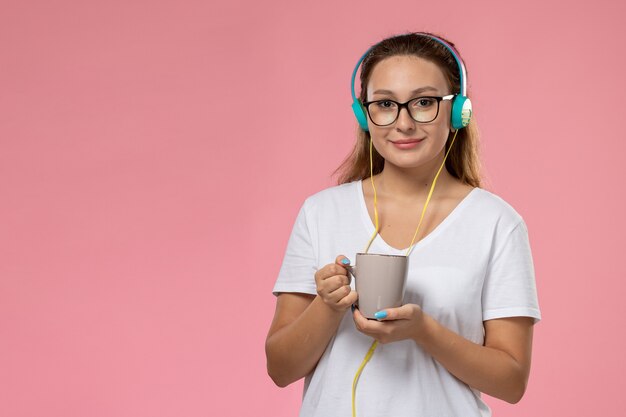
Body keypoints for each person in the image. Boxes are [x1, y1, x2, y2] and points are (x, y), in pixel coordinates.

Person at [265, 32, 541, 417]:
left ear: (459, 109)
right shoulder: (320, 212)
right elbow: (280, 369)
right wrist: (328, 307)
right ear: (365, 115)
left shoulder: (497, 223)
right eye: (385, 104)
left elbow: (511, 383)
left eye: (424, 102)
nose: (404, 123)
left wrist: (424, 331)